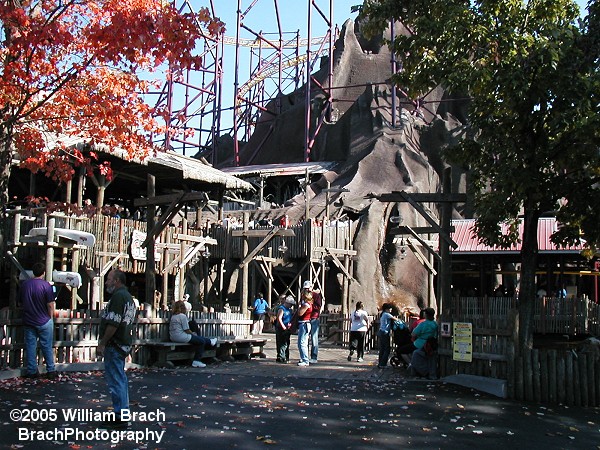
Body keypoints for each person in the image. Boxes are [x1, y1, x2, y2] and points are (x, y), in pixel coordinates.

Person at [97, 269, 137, 429]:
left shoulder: (119, 297)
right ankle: (122, 412)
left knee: (116, 379)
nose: (106, 282)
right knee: (120, 378)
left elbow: (114, 323)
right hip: (123, 342)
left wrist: (103, 342)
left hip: (115, 343)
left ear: (117, 281)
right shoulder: (129, 298)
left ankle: (120, 415)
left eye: (109, 279)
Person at [20, 262, 57, 379]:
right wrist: (50, 317)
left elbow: (20, 302)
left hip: (29, 319)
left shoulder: (25, 285)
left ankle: (31, 370)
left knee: (31, 345)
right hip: (44, 319)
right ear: (43, 273)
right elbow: (50, 304)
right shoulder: (46, 286)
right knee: (46, 345)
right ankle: (50, 369)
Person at [169, 301, 217, 368]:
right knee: (201, 341)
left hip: (173, 337)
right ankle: (197, 360)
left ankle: (211, 341)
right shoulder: (182, 316)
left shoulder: (174, 316)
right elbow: (187, 330)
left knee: (199, 339)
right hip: (181, 336)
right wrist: (193, 334)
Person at [303, 280, 323, 363]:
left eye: (308, 288)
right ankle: (305, 356)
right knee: (305, 339)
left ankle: (314, 357)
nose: (307, 290)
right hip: (306, 318)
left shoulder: (316, 296)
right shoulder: (303, 295)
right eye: (305, 289)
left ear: (311, 287)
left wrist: (310, 305)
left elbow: (318, 306)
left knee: (314, 338)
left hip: (314, 318)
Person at [274, 295, 295, 363]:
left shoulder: (290, 310)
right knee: (281, 343)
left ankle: (286, 357)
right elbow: (279, 318)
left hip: (287, 327)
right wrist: (283, 327)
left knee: (286, 343)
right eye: (290, 304)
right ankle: (281, 357)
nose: (291, 306)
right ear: (287, 303)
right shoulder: (281, 308)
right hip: (281, 328)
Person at [377, 303, 398, 368]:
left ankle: (380, 363)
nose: (391, 310)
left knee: (382, 348)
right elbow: (396, 319)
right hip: (385, 332)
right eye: (390, 308)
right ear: (387, 309)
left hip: (381, 331)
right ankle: (383, 364)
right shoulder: (387, 314)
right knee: (387, 349)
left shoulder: (382, 314)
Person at [296, 291, 313, 366]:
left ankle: (305, 360)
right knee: (303, 343)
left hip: (304, 323)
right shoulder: (309, 304)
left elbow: (300, 313)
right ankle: (303, 358)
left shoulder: (306, 304)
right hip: (305, 323)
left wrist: (299, 306)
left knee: (302, 343)